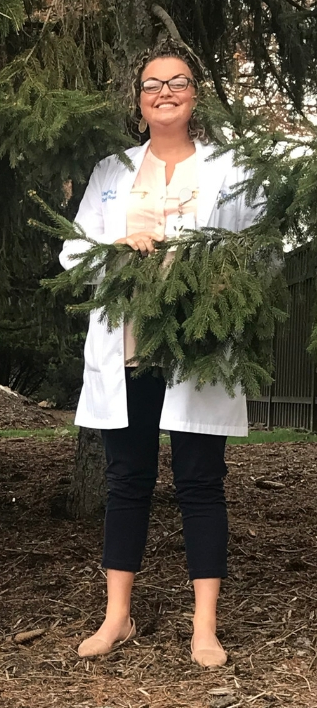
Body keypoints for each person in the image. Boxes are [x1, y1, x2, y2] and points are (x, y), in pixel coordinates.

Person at [60, 43, 263, 666]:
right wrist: (122, 242)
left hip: (199, 349)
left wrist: (215, 275)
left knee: (201, 482)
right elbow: (73, 254)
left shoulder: (228, 169)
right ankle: (116, 616)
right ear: (139, 101)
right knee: (128, 482)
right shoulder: (110, 171)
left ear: (195, 95)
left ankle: (205, 627)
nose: (165, 92)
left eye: (178, 82)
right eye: (153, 84)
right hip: (130, 347)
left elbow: (260, 251)